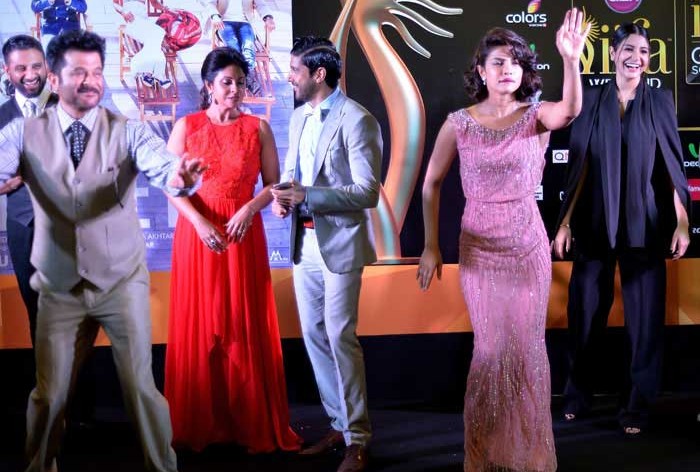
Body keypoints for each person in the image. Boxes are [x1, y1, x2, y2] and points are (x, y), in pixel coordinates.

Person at [0, 29, 206, 472]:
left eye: (96, 71)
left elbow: (165, 168)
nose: (90, 81)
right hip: (60, 285)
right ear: (55, 78)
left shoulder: (128, 130)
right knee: (49, 393)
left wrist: (183, 178)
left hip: (120, 281)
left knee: (140, 388)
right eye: (79, 72)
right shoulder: (22, 132)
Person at [417, 9, 589, 471]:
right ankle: (487, 454)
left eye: (515, 61)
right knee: (491, 350)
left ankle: (529, 455)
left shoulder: (535, 115)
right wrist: (431, 244)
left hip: (527, 245)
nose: (507, 68)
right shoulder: (459, 123)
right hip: (479, 248)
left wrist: (570, 59)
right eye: (497, 61)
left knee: (527, 349)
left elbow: (570, 111)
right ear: (481, 70)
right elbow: (431, 183)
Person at [552, 22, 690, 436]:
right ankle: (577, 396)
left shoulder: (661, 101)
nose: (636, 58)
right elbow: (580, 164)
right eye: (629, 49)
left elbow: (673, 167)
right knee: (584, 314)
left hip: (645, 224)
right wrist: (564, 221)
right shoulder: (591, 100)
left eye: (644, 52)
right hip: (595, 221)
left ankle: (636, 407)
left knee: (644, 322)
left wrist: (682, 222)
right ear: (613, 53)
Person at [163, 47, 301, 453]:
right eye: (227, 82)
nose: (235, 90)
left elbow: (275, 185)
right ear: (209, 86)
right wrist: (199, 221)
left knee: (242, 322)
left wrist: (250, 208)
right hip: (198, 234)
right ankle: (198, 424)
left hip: (242, 234)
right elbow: (170, 185)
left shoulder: (259, 128)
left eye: (241, 83)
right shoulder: (186, 126)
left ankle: (247, 423)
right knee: (201, 322)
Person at [271, 36, 382, 472]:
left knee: (339, 335)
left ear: (318, 74)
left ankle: (358, 438)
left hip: (341, 243)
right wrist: (284, 198)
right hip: (304, 243)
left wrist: (309, 196)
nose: (289, 77)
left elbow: (367, 192)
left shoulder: (358, 119)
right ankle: (339, 423)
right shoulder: (298, 117)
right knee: (315, 336)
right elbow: (292, 173)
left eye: (294, 70)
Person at [0, 35, 54, 346]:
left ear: (46, 65)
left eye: (36, 66)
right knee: (37, 312)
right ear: (7, 70)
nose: (31, 74)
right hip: (23, 226)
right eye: (21, 68)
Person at [203, 0, 275, 96]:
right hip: (224, 22)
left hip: (245, 23)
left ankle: (247, 77)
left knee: (248, 46)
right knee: (233, 46)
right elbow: (210, 3)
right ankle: (248, 80)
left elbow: (261, 4)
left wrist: (268, 17)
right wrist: (215, 15)